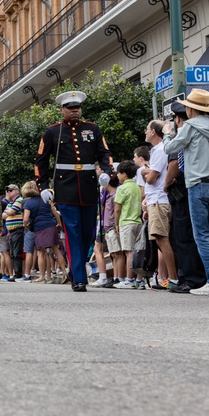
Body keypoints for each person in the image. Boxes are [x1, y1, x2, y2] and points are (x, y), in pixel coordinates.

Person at [34, 90, 112, 292]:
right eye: (70, 108)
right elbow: (40, 162)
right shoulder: (53, 131)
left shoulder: (93, 129)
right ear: (62, 110)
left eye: (77, 107)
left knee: (87, 233)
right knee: (73, 232)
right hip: (65, 187)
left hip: (87, 186)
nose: (75, 111)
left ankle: (75, 268)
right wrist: (42, 186)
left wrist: (106, 172)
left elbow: (104, 153)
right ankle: (79, 278)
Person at [162, 88, 209, 296]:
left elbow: (170, 147)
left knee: (201, 235)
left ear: (191, 109)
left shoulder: (190, 126)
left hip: (197, 185)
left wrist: (166, 135)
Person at [141, 121, 177, 288]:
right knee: (159, 238)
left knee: (162, 239)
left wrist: (145, 171)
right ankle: (171, 277)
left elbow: (151, 177)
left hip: (159, 200)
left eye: (147, 129)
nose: (145, 132)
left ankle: (173, 278)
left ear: (154, 132)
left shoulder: (160, 149)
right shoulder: (157, 150)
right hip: (155, 200)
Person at [22, 180, 59, 285]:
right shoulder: (45, 200)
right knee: (50, 251)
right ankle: (50, 276)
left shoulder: (26, 202)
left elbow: (25, 219)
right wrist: (58, 223)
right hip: (50, 226)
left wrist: (26, 226)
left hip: (36, 228)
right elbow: (54, 212)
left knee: (35, 252)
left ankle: (34, 275)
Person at [113, 161, 143, 289]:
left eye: (118, 174)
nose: (117, 176)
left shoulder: (122, 188)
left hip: (126, 222)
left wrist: (116, 223)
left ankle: (129, 280)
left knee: (128, 252)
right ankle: (139, 279)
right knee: (138, 251)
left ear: (124, 174)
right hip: (138, 222)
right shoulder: (137, 186)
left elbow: (117, 208)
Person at [1, 184, 24, 281]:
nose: (8, 192)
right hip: (11, 231)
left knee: (17, 252)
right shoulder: (10, 202)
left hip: (18, 229)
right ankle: (15, 274)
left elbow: (10, 212)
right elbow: (4, 215)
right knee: (12, 253)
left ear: (16, 191)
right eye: (7, 190)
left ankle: (18, 274)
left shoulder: (19, 200)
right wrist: (9, 212)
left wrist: (9, 212)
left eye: (10, 190)